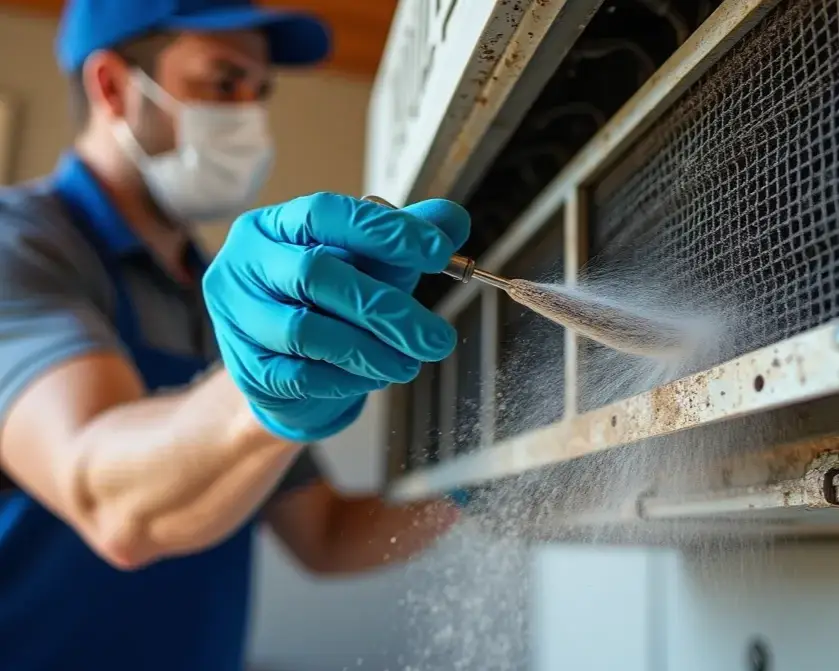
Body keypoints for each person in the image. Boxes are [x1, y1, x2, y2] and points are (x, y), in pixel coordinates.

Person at [0, 0, 472, 668]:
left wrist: (479, 481)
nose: (250, 114)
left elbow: (327, 535)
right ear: (112, 86)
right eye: (223, 82)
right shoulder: (19, 245)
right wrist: (254, 395)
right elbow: (111, 500)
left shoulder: (211, 290)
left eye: (260, 90)